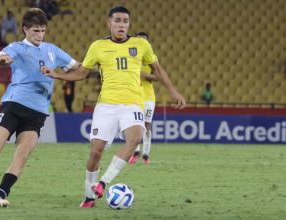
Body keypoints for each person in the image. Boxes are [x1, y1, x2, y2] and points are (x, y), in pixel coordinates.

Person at [42, 6, 186, 208]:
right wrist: (57, 74)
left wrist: (173, 91)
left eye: (125, 21)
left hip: (133, 104)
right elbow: (82, 72)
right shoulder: (98, 46)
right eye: (117, 20)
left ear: (129, 24)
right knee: (96, 152)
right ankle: (89, 196)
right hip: (106, 105)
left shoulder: (141, 44)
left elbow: (157, 69)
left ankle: (103, 182)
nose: (121, 24)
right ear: (108, 23)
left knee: (136, 137)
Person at [0, 8, 78, 208]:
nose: (40, 35)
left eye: (43, 30)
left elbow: (77, 67)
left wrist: (92, 67)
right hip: (14, 105)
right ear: (25, 29)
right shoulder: (17, 48)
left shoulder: (53, 50)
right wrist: (1, 61)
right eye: (35, 30)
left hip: (38, 112)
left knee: (22, 154)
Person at [128, 32, 158, 165]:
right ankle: (136, 151)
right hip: (134, 95)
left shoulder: (152, 58)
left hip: (148, 97)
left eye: (144, 40)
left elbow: (157, 77)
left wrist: (143, 74)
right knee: (134, 124)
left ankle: (146, 154)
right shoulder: (129, 57)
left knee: (147, 125)